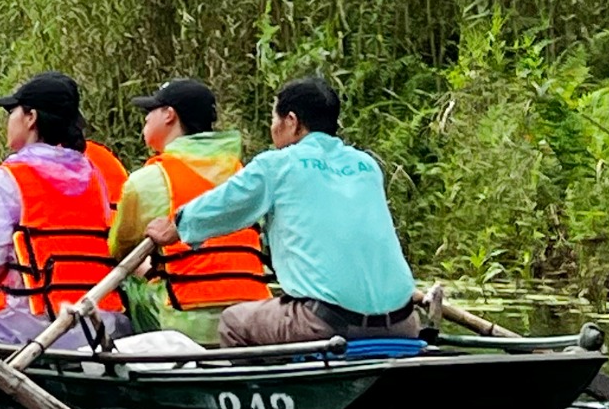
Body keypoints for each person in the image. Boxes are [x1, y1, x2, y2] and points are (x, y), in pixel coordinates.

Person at [157, 77, 419, 348]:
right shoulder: (367, 166)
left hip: (327, 322)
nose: (273, 128)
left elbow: (222, 205)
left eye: (274, 119)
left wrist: (175, 226)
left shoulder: (277, 165)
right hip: (403, 321)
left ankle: (266, 377)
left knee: (234, 321)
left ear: (291, 121)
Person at [0, 71, 119, 345]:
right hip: (98, 321)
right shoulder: (94, 176)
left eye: (12, 111)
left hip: (32, 325)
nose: (9, 120)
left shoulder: (9, 179)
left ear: (30, 117)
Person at [107, 78, 266, 341]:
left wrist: (150, 271)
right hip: (252, 312)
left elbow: (119, 249)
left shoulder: (148, 180)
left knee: (128, 279)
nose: (145, 118)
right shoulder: (243, 173)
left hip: (185, 318)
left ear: (169, 115)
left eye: (151, 110)